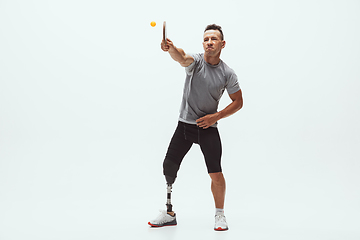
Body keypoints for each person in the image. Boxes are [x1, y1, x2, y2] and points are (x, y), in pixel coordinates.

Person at [148, 24, 243, 231]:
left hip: (208, 128)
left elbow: (238, 102)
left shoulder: (227, 73)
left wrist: (215, 116)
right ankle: (169, 213)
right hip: (184, 126)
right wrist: (171, 48)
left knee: (216, 173)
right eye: (206, 39)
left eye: (214, 39)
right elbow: (181, 57)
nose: (209, 42)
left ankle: (220, 215)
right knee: (168, 166)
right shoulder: (196, 62)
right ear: (203, 43)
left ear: (222, 44)